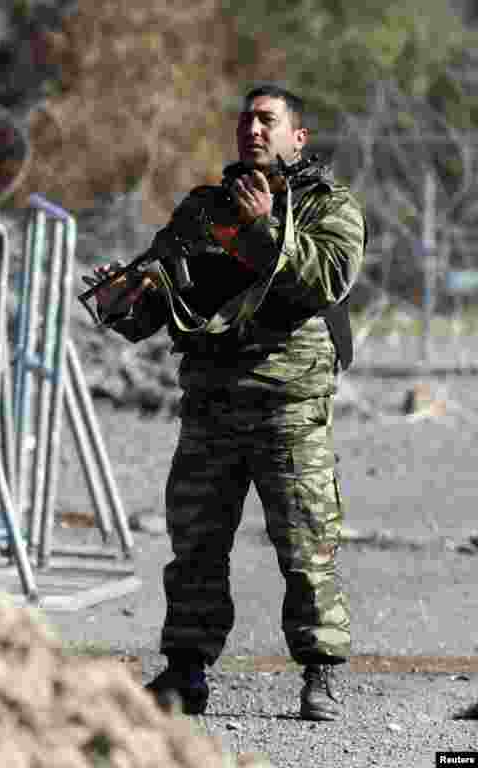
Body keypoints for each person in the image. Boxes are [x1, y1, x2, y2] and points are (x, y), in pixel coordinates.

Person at [90, 84, 367, 720]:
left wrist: (265, 228)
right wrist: (123, 303)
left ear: (298, 138)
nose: (253, 129)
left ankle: (321, 672)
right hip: (211, 403)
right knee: (195, 546)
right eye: (246, 120)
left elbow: (326, 278)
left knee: (306, 546)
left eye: (269, 120)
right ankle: (186, 670)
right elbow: (160, 295)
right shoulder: (203, 207)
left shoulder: (330, 206)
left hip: (288, 404)